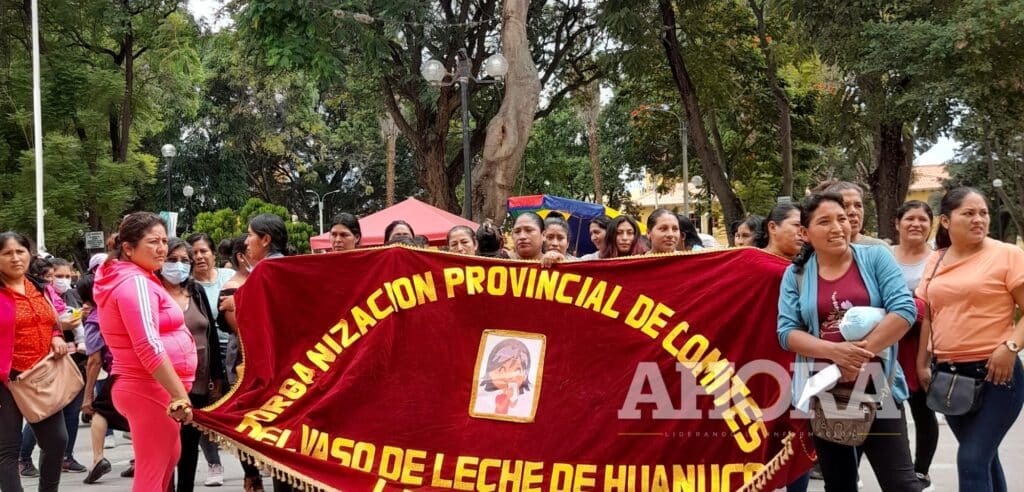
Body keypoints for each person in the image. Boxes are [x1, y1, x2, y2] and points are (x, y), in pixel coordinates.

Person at [776, 193, 920, 492]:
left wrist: (856, 356)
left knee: (901, 483)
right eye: (824, 221)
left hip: (878, 386)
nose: (838, 227)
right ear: (805, 232)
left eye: (841, 218)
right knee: (840, 484)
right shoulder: (797, 274)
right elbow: (787, 332)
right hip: (826, 392)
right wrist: (834, 353)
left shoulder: (874, 257)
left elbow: (904, 309)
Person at [916, 187, 1024, 492]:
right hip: (949, 377)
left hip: (997, 374)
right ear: (946, 221)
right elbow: (929, 315)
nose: (978, 219)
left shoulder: (1007, 254)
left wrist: (1010, 347)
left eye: (983, 213)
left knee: (972, 459)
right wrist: (922, 364)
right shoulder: (936, 260)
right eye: (969, 213)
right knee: (984, 460)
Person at [94, 212, 197, 492]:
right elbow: (148, 345)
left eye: (164, 240)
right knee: (151, 476)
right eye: (153, 242)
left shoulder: (137, 277)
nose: (162, 248)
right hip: (146, 388)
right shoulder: (135, 282)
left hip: (150, 388)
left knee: (167, 459)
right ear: (128, 248)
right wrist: (179, 394)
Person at [221, 214, 292, 492]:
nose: (246, 240)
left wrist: (234, 304)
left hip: (271, 373)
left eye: (251, 234)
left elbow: (260, 323)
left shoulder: (265, 273)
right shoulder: (289, 266)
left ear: (266, 239)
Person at [0, 231, 70, 492]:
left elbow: (50, 320)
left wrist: (55, 335)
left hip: (40, 376)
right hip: (7, 379)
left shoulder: (39, 287)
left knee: (57, 442)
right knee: (7, 450)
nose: (16, 258)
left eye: (20, 251)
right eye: (7, 253)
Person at [158, 239, 225, 492]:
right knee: (165, 452)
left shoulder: (195, 290)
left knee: (188, 450)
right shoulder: (152, 291)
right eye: (172, 260)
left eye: (184, 260)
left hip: (197, 384)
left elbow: (210, 334)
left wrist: (217, 377)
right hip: (162, 384)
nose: (179, 265)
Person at [19, 257, 89, 475]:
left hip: (74, 362)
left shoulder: (71, 296)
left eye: (67, 276)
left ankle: (65, 457)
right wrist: (61, 326)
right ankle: (24, 458)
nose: (61, 281)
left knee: (71, 413)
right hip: (47, 365)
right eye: (56, 276)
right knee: (43, 414)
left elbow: (79, 324)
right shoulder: (37, 296)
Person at [888, 200, 938, 490]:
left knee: (923, 410)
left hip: (923, 344)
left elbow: (938, 306)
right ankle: (901, 470)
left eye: (923, 219)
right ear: (897, 223)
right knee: (891, 411)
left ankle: (921, 471)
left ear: (931, 225)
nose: (916, 224)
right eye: (909, 218)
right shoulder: (886, 256)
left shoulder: (938, 259)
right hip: (890, 344)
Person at [185, 233, 232, 486]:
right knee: (203, 412)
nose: (199, 257)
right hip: (205, 355)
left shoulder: (228, 277)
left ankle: (254, 462)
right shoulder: (189, 285)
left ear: (213, 254)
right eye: (195, 253)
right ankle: (214, 463)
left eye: (204, 251)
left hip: (234, 351)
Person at [78, 271, 132, 484]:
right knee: (133, 413)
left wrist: (87, 395)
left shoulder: (94, 320)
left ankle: (98, 458)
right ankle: (138, 459)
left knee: (99, 410)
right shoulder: (119, 308)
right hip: (141, 367)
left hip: (118, 369)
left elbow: (94, 360)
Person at [817, 180, 888, 247]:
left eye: (858, 205)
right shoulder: (815, 249)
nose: (853, 212)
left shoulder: (878, 248)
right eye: (845, 206)